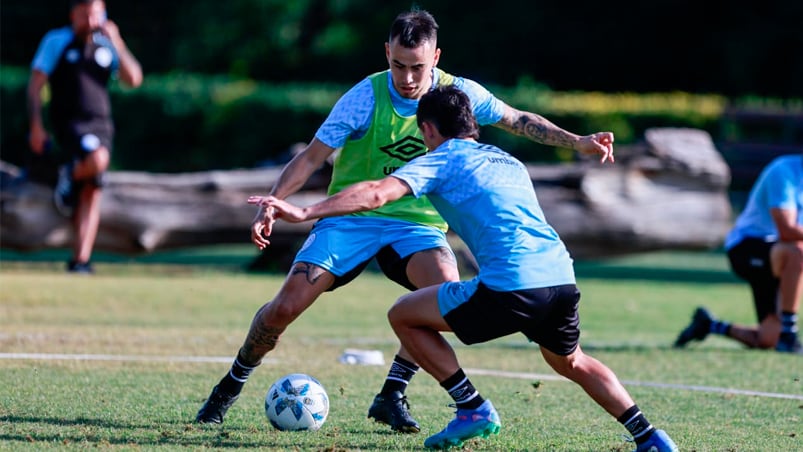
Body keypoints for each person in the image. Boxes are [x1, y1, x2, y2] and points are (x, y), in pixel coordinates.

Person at [195, 9, 615, 431]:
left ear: (436, 57)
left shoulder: (458, 94)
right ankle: (229, 387)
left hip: (417, 224)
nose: (408, 78)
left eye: (418, 67)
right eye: (398, 65)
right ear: (386, 54)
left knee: (444, 296)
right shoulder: (365, 97)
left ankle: (392, 393)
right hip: (352, 219)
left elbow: (517, 120)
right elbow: (310, 158)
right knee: (284, 308)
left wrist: (578, 142)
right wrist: (273, 202)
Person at [256, 86, 678, 451]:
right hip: (561, 279)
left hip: (510, 286)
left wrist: (305, 210)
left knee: (403, 314)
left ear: (428, 130)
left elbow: (375, 193)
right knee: (571, 360)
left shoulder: (442, 159)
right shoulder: (507, 160)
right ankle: (649, 437)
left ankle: (471, 407)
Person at [27, 0, 143, 274]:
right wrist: (36, 125)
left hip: (101, 125)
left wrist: (118, 41)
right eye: (85, 14)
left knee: (93, 189)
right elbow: (35, 86)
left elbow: (134, 79)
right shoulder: (58, 41)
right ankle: (68, 173)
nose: (91, 20)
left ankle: (80, 260)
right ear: (73, 14)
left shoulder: (106, 45)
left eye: (96, 13)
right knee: (97, 159)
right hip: (70, 125)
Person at [675, 153, 802, 354]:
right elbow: (787, 231)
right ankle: (789, 333)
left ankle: (710, 325)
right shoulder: (784, 171)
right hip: (747, 247)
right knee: (797, 251)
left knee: (767, 339)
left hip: (782, 257)